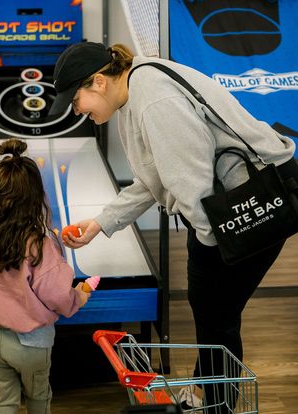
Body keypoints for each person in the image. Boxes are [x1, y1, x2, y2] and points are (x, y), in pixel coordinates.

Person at [49, 41, 298, 412]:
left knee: (215, 313)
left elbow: (190, 180)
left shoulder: (153, 101)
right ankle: (208, 396)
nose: (77, 111)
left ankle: (216, 404)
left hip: (252, 201)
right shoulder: (137, 88)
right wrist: (102, 223)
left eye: (75, 101)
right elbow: (156, 178)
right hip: (235, 203)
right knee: (215, 312)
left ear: (98, 82)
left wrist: (209, 244)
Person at [0, 138, 90, 414]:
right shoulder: (40, 244)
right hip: (31, 342)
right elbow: (56, 294)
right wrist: (79, 296)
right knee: (38, 399)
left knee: (1, 403)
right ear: (35, 197)